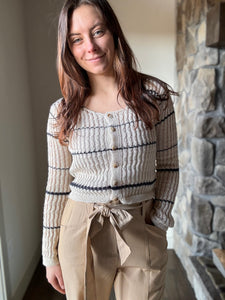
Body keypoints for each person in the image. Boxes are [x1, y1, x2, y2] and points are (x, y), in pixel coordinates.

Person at [42, 0, 179, 299]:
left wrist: (158, 221)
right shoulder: (62, 112)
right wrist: (49, 254)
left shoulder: (155, 97)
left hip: (141, 224)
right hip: (81, 229)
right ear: (68, 49)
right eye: (77, 39)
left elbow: (169, 166)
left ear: (114, 32)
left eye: (98, 31)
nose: (90, 46)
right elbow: (56, 185)